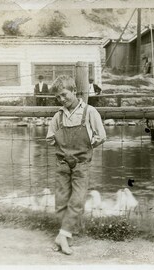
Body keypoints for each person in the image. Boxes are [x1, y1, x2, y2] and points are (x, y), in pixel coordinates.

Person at [46, 75, 106, 255]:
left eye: (64, 95)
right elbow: (50, 138)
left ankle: (62, 236)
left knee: (78, 199)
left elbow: (101, 136)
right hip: (63, 163)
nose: (62, 99)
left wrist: (88, 146)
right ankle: (65, 236)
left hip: (81, 164)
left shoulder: (89, 112)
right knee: (61, 199)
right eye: (58, 97)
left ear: (74, 91)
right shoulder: (58, 115)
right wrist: (62, 144)